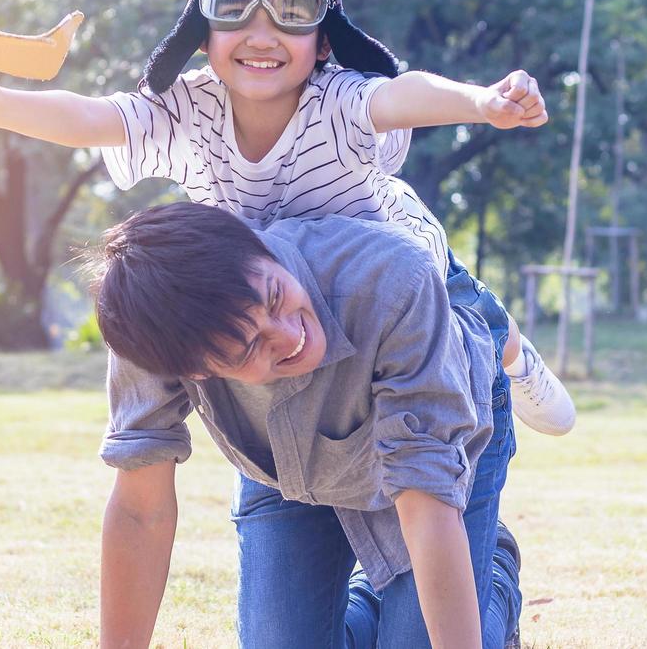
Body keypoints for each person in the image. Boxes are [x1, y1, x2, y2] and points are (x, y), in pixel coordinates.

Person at [0, 0, 575, 436]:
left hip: (390, 263)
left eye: (292, 10)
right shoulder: (184, 109)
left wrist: (482, 101)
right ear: (202, 36)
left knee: (467, 310)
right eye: (234, 7)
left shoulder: (338, 100)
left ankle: (515, 357)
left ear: (323, 42)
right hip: (285, 293)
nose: (261, 36)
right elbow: (91, 117)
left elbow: (404, 93)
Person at [89, 201, 524, 648]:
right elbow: (141, 511)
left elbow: (426, 500)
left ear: (259, 248)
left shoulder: (393, 278)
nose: (289, 334)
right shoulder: (151, 336)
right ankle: (378, 603)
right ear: (195, 370)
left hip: (442, 429)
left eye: (275, 296)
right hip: (284, 466)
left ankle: (493, 576)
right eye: (250, 347)